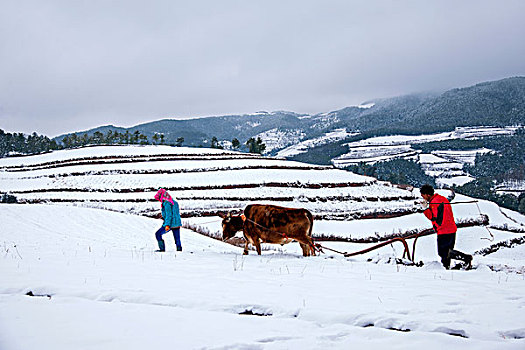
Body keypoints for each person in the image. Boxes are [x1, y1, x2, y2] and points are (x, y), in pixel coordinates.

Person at [419, 184, 472, 269]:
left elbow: (434, 217)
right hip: (451, 229)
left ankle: (466, 258)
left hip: (443, 230)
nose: (423, 198)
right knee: (448, 252)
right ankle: (446, 267)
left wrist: (425, 209)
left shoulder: (434, 203)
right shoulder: (442, 198)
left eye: (423, 195)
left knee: (443, 252)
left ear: (428, 194)